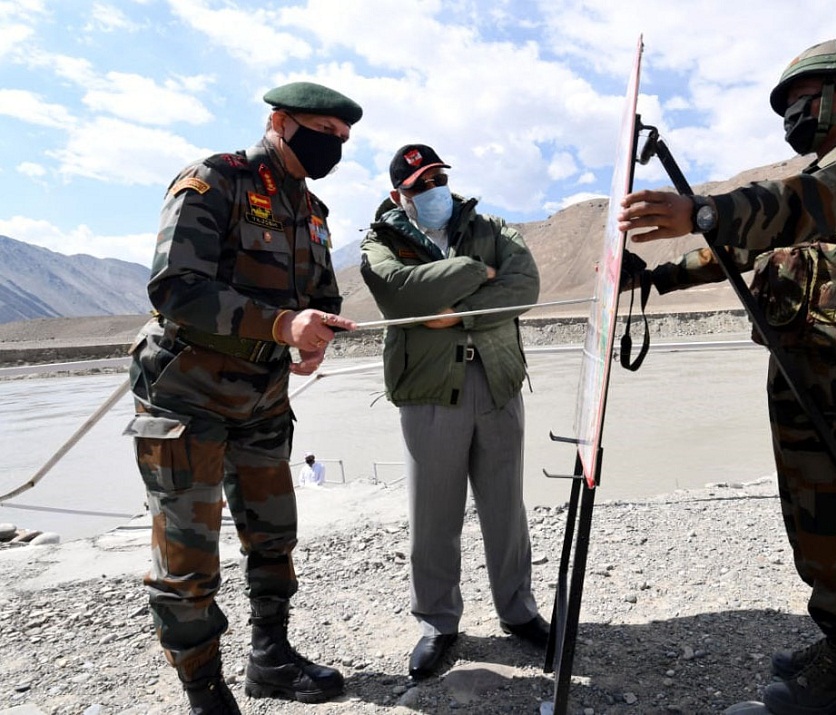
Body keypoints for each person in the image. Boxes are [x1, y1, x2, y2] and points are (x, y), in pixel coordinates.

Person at [617, 39, 836, 715]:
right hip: (802, 363)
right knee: (810, 508)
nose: (791, 115)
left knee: (835, 509)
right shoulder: (810, 194)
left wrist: (707, 209)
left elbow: (783, 206)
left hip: (835, 372)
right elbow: (737, 249)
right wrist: (658, 275)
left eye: (800, 100)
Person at [124, 81, 361, 714]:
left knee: (273, 536)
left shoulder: (314, 211)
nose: (334, 146)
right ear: (280, 122)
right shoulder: (213, 182)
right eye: (323, 132)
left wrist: (317, 334)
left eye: (342, 140)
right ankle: (205, 693)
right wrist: (283, 326)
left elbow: (321, 295)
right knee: (188, 559)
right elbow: (176, 288)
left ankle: (270, 660)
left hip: (262, 398)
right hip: (185, 398)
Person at [360, 143, 548, 680]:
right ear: (401, 194)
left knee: (505, 507)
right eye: (421, 183)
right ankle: (438, 624)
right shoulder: (382, 242)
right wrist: (474, 270)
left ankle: (518, 611)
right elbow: (398, 294)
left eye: (439, 176)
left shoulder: (492, 227)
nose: (434, 188)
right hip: (428, 392)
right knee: (433, 514)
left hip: (497, 381)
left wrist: (456, 315)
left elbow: (524, 287)